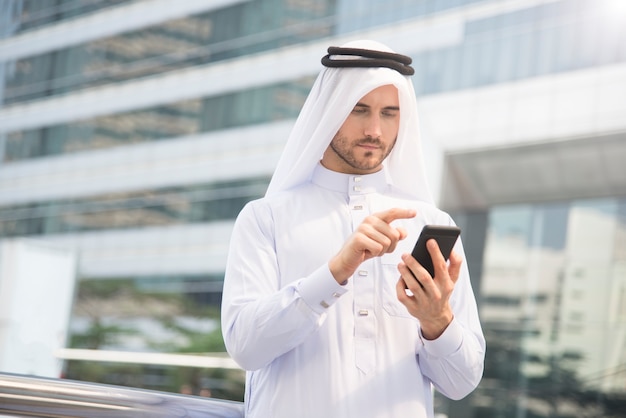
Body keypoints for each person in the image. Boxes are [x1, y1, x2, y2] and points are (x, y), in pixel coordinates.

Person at [221, 39, 485, 418]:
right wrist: (334, 273)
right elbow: (246, 348)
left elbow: (461, 383)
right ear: (329, 111)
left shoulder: (432, 224)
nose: (375, 130)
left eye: (389, 113)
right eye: (359, 110)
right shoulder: (266, 218)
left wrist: (436, 320)